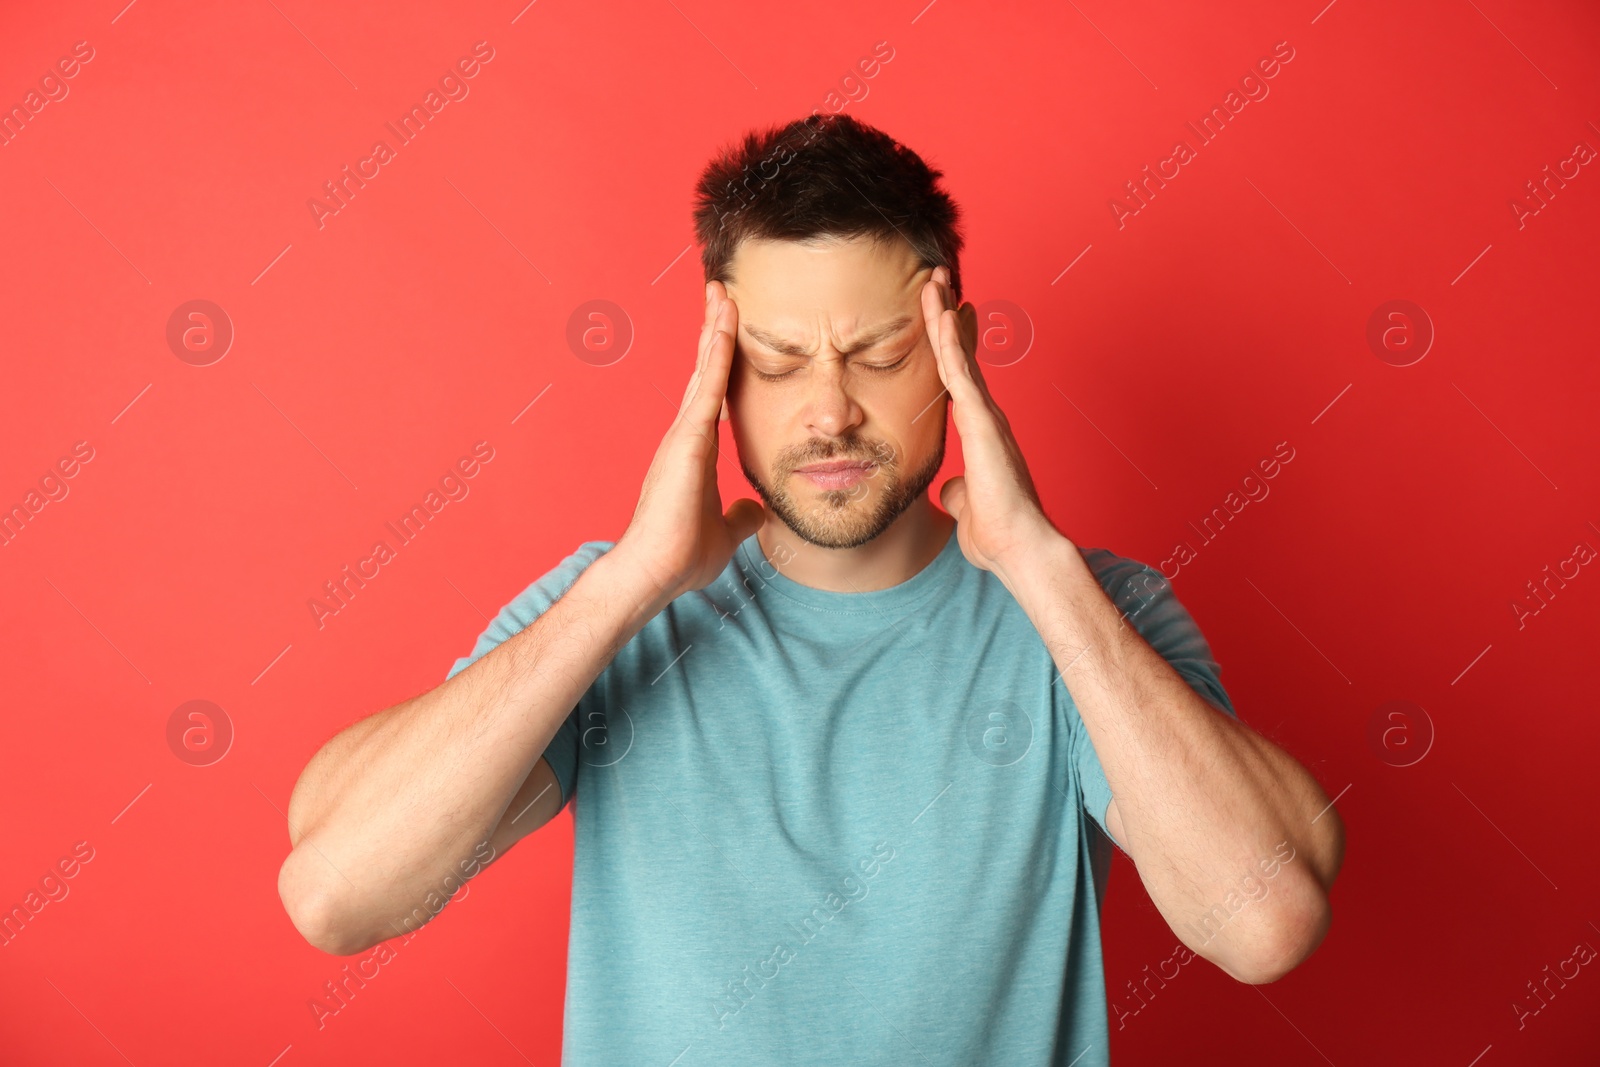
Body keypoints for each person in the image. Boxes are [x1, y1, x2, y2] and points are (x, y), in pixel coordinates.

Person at [276, 112, 1344, 1066]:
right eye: (779, 361)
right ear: (718, 368)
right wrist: (633, 581)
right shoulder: (607, 612)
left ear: (954, 350)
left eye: (878, 354)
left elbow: (1265, 923)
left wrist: (1039, 567)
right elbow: (336, 893)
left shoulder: (1095, 615)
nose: (829, 411)